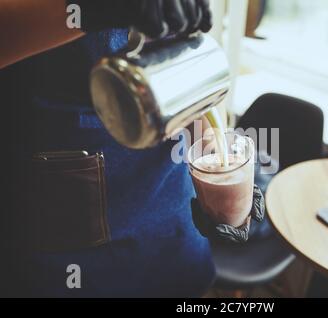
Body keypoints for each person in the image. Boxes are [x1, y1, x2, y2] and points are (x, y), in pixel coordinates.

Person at [1, 0, 264, 298]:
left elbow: (179, 68)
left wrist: (222, 186)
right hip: (66, 242)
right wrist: (89, 8)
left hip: (173, 227)